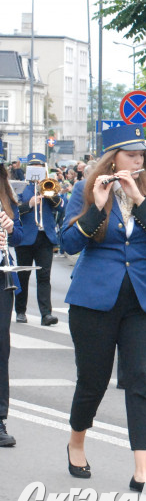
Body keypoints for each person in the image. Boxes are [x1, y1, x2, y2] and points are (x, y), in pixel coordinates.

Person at [61, 125, 146, 495]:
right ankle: (76, 441)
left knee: (141, 380)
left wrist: (138, 198)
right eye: (131, 155)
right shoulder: (85, 188)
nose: (138, 160)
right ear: (112, 158)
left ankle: (142, 470)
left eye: (142, 154)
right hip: (94, 298)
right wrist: (96, 205)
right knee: (92, 380)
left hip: (141, 300)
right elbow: (69, 243)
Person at [14, 152, 62, 327]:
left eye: (40, 167)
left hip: (45, 237)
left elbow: (61, 207)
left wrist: (51, 195)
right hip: (25, 238)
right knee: (23, 276)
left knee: (44, 277)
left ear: (44, 169)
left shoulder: (49, 186)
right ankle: (20, 310)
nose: (37, 170)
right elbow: (14, 210)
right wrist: (31, 204)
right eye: (34, 167)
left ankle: (46, 314)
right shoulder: (21, 187)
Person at [0, 144, 24, 448]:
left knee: (0, 350)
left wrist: (9, 225)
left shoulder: (5, 194)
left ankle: (0, 419)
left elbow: (20, 236)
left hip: (1, 278)